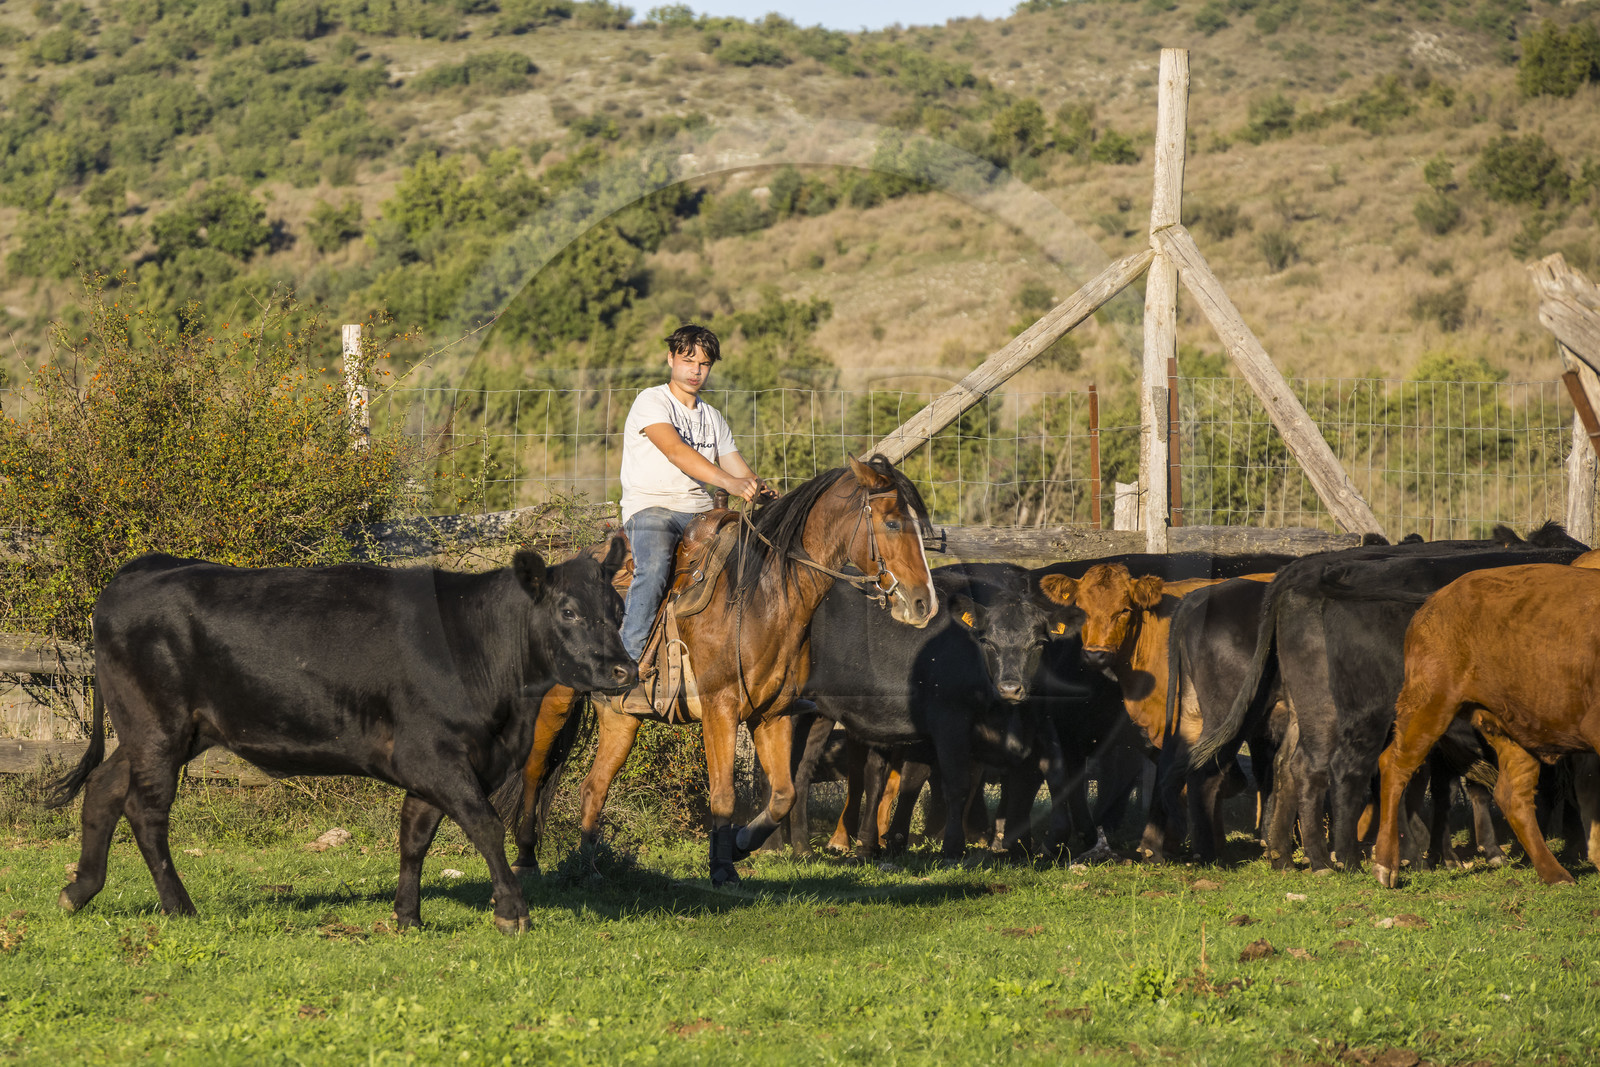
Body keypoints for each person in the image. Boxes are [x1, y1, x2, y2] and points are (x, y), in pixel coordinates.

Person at [617, 324, 773, 668]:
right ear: (670, 358)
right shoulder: (652, 401)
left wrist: (758, 488)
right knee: (655, 566)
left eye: (704, 364)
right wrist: (729, 483)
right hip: (652, 507)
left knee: (757, 563)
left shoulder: (712, 417)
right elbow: (675, 451)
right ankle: (628, 660)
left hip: (701, 512)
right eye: (688, 361)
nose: (695, 371)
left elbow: (738, 468)